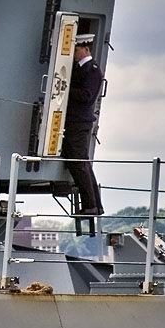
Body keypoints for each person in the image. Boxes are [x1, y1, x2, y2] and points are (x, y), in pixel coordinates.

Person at [62, 34, 105, 216]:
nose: (75, 54)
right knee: (82, 164)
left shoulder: (92, 70)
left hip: (79, 122)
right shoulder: (80, 68)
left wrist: (65, 89)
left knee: (78, 164)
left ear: (86, 48)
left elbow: (87, 96)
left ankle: (90, 206)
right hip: (75, 122)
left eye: (77, 50)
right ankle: (94, 205)